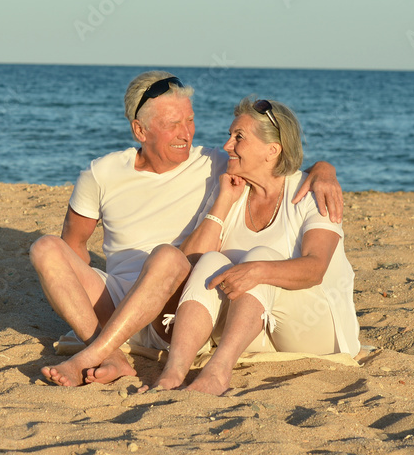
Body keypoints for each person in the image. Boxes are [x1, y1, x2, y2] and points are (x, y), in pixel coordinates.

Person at [31, 73, 343, 387]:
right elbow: (74, 247)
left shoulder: (216, 163)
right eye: (172, 124)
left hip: (174, 305)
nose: (186, 134)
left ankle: (91, 355)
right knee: (45, 248)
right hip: (116, 301)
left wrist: (323, 169)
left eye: (190, 120)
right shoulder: (101, 173)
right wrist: (79, 306)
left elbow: (271, 161)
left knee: (166, 256)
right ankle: (109, 353)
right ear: (140, 130)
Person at [140, 97, 360, 396]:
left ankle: (217, 372)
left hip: (312, 333)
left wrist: (256, 269)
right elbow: (191, 262)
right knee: (212, 262)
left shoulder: (310, 192)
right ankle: (174, 372)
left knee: (259, 260)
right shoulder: (234, 190)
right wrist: (222, 203)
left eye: (238, 138)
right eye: (230, 136)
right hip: (248, 332)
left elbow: (315, 268)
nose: (227, 145)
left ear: (273, 149)